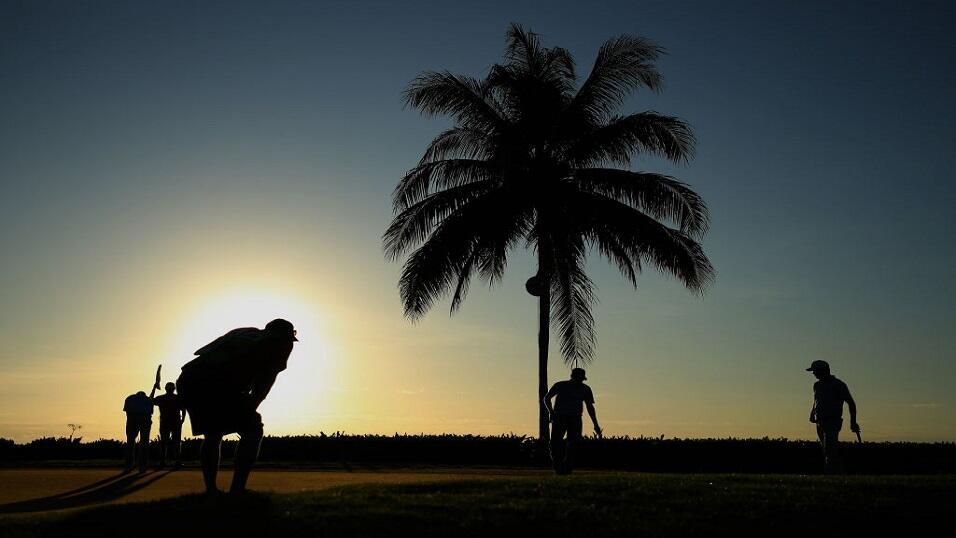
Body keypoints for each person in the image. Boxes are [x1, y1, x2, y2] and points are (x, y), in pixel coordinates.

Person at [176, 318, 298, 494]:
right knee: (253, 429)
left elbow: (206, 353)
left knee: (213, 433)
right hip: (216, 381)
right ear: (287, 336)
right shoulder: (279, 343)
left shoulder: (244, 331)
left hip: (189, 378)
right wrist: (252, 406)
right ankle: (237, 489)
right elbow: (266, 380)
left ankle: (211, 490)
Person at [543, 367, 602, 475]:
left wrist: (595, 424)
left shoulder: (585, 389)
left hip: (575, 418)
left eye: (581, 379)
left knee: (573, 443)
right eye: (578, 379)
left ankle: (567, 467)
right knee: (555, 442)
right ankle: (557, 465)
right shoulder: (560, 385)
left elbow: (590, 407)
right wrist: (552, 413)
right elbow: (547, 398)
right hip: (560, 417)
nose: (580, 381)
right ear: (573, 377)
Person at [807, 359, 860, 474]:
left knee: (830, 449)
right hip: (819, 421)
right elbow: (816, 400)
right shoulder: (817, 385)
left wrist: (853, 422)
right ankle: (833, 472)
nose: (813, 374)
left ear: (822, 371)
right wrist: (812, 413)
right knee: (826, 449)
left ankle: (834, 473)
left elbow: (851, 403)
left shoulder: (838, 385)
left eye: (815, 371)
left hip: (832, 421)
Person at [122, 383, 159, 473]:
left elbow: (127, 412)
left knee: (130, 443)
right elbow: (150, 410)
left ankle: (128, 466)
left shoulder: (130, 398)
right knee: (144, 443)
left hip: (132, 420)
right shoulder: (148, 400)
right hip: (145, 421)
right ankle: (142, 466)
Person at [153, 382, 186, 468]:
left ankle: (163, 461)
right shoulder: (178, 398)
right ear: (174, 389)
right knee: (176, 442)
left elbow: (151, 400)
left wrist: (154, 388)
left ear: (166, 389)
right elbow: (183, 409)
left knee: (164, 442)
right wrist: (182, 419)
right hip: (175, 422)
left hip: (165, 422)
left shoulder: (161, 398)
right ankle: (177, 461)